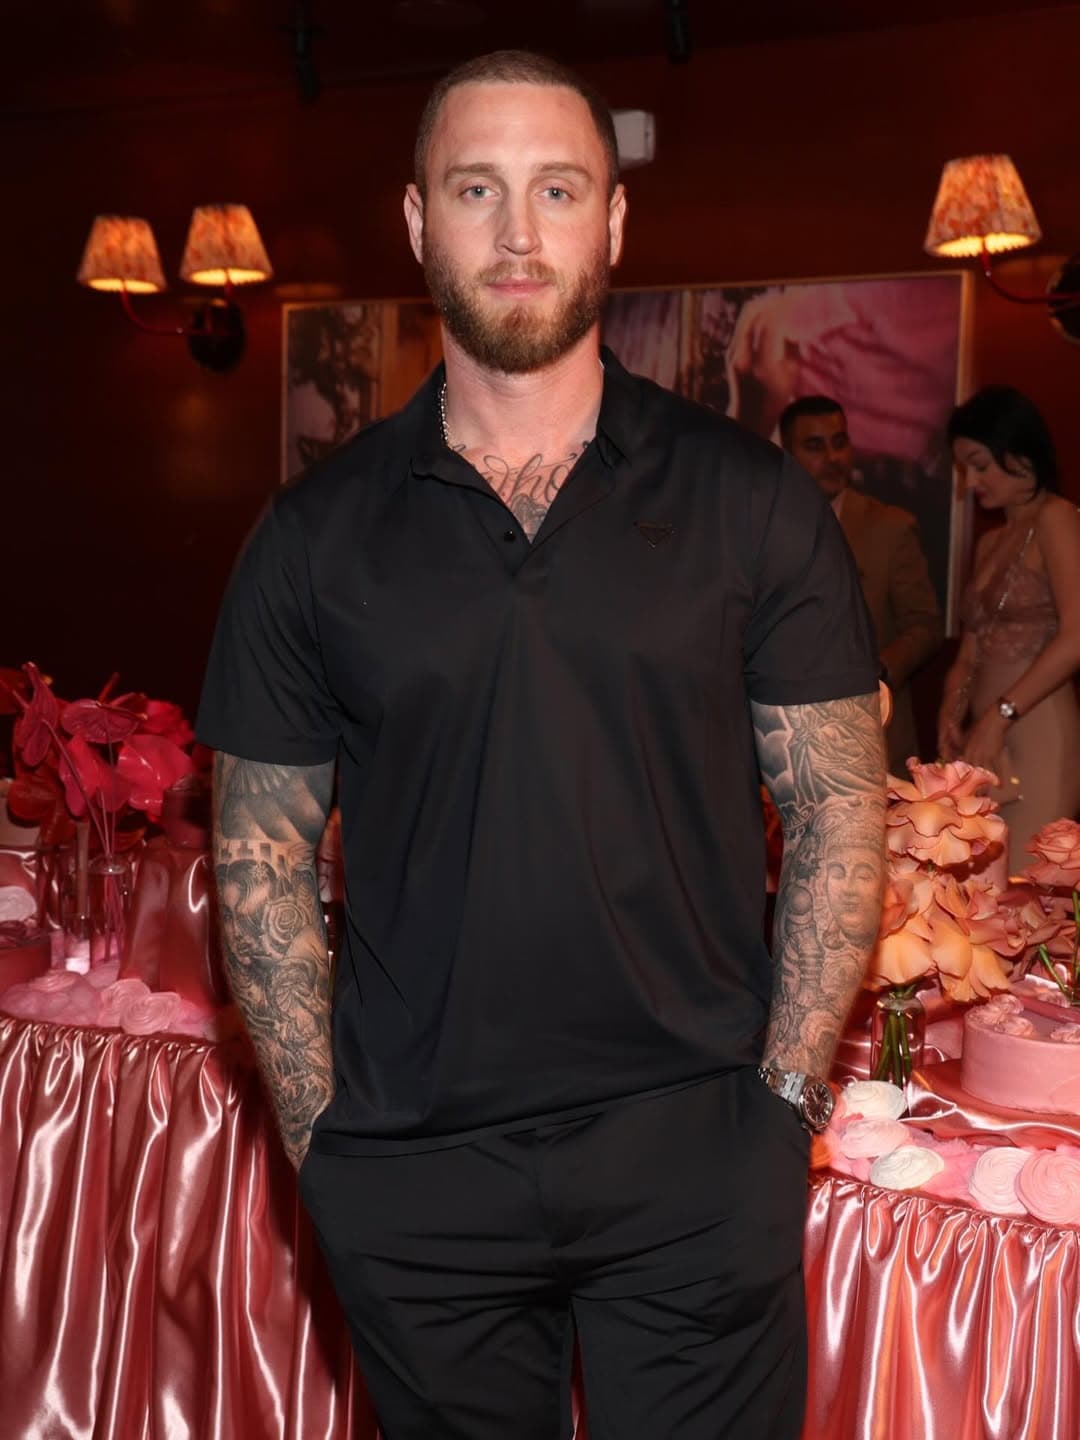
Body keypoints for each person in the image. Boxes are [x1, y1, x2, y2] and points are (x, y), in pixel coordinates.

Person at [197, 50, 886, 1440]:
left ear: (613, 222)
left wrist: (784, 1105)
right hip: (415, 1173)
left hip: (698, 1165)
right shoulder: (312, 537)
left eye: (557, 190)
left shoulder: (751, 503)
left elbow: (839, 810)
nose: (518, 233)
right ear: (417, 221)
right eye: (477, 190)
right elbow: (260, 851)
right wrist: (326, 1140)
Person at [938, 385, 1080, 873]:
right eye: (964, 469)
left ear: (1018, 454)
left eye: (979, 465)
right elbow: (970, 649)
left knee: (1026, 887)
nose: (970, 481)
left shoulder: (1057, 518)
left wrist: (999, 716)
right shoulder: (990, 541)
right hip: (984, 736)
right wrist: (951, 711)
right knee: (979, 890)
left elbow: (1076, 637)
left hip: (1035, 726)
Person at [780, 395, 943, 772]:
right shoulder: (767, 526)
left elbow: (925, 625)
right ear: (787, 453)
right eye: (815, 446)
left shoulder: (890, 527)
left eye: (840, 442)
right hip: (785, 734)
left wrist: (877, 670)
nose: (832, 457)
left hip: (871, 731)